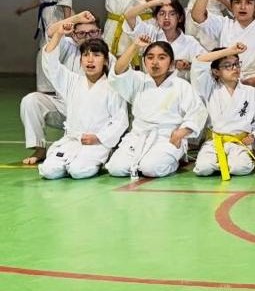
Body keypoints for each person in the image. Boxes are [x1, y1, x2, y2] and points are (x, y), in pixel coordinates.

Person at [34, 19, 127, 180]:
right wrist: (59, 34)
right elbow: (51, 65)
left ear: (106, 60)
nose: (90, 60)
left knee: (79, 171)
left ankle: (102, 158)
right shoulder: (72, 81)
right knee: (49, 171)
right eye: (86, 55)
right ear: (81, 60)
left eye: (96, 55)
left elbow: (120, 121)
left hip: (97, 143)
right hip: (72, 140)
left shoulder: (113, 87)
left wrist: (99, 137)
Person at [104, 36, 207, 179]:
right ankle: (139, 162)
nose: (155, 62)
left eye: (162, 57)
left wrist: (181, 133)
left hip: (167, 137)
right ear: (144, 61)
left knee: (150, 169)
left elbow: (198, 111)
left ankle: (172, 162)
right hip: (138, 136)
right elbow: (117, 73)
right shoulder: (139, 80)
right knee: (116, 169)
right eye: (150, 57)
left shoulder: (181, 85)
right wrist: (135, 46)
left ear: (171, 63)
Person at [19, 12, 104, 165]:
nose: (88, 37)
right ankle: (39, 148)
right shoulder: (68, 46)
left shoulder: (106, 53)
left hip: (94, 117)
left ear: (100, 33)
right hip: (63, 108)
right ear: (74, 35)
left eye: (92, 32)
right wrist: (76, 18)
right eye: (81, 33)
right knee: (31, 101)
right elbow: (51, 32)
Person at [190, 44, 255, 180]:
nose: (235, 68)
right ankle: (223, 162)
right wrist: (230, 51)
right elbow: (199, 61)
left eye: (236, 64)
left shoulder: (250, 92)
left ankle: (229, 162)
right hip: (214, 142)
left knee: (240, 168)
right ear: (216, 71)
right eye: (227, 65)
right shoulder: (208, 88)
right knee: (203, 168)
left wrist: (253, 136)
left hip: (239, 142)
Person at [16, 0, 75, 92]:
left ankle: (55, 88)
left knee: (53, 53)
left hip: (57, 19)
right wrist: (25, 8)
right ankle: (46, 88)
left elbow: (66, 3)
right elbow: (43, 0)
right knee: (44, 53)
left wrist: (67, 27)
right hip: (48, 19)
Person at [122, 0, 206, 80]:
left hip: (179, 90)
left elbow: (206, 64)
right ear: (156, 18)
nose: (166, 17)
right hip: (151, 87)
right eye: (162, 13)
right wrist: (155, 2)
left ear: (180, 18)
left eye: (172, 14)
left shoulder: (190, 42)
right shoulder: (150, 33)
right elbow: (129, 16)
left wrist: (189, 65)